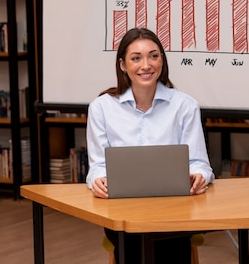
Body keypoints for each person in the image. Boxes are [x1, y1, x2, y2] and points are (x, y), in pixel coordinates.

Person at [86, 27, 214, 264]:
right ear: (123, 65)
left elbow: (199, 163)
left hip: (174, 211)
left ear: (162, 61)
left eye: (154, 56)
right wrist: (98, 180)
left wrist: (199, 176)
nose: (146, 65)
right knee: (133, 236)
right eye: (136, 58)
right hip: (123, 211)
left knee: (168, 238)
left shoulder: (185, 106)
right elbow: (97, 166)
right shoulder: (101, 108)